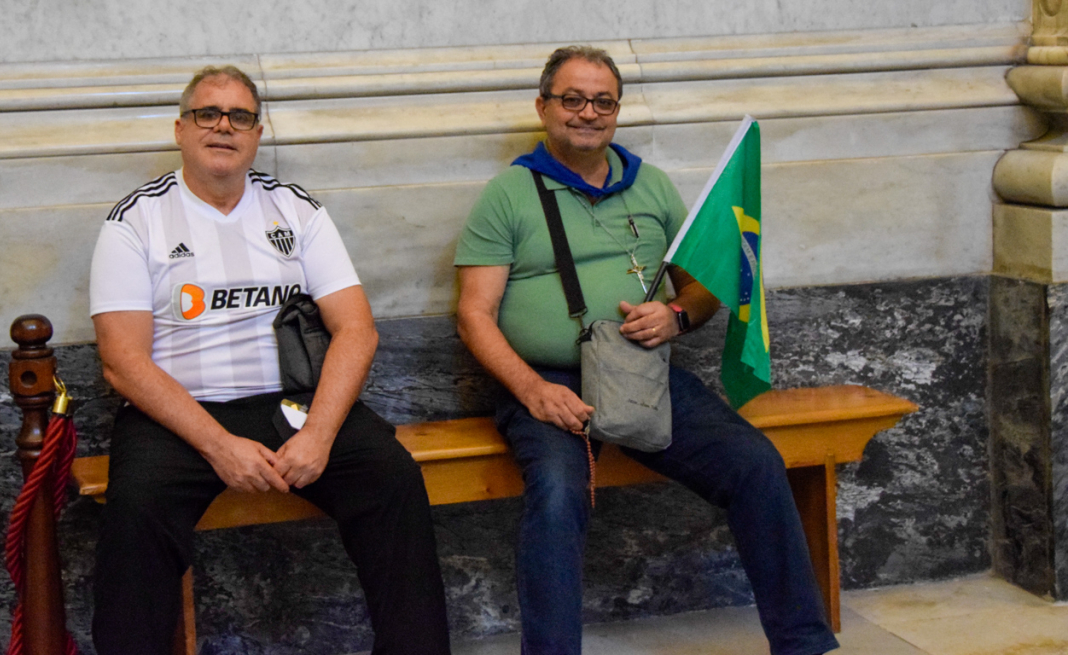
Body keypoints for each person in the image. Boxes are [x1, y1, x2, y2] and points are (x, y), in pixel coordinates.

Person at [454, 46, 839, 655]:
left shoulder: (652, 185)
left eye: (602, 102)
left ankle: (805, 645)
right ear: (543, 106)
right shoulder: (508, 194)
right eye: (572, 99)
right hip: (548, 384)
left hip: (641, 373)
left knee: (755, 464)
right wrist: (532, 390)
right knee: (557, 495)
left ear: (617, 111)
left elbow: (703, 287)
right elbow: (474, 316)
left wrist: (677, 315)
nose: (588, 113)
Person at [89, 65, 451, 655]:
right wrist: (218, 445)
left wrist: (320, 435)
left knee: (393, 480)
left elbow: (356, 330)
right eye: (208, 114)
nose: (223, 126)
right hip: (180, 415)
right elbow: (122, 361)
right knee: (136, 510)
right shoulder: (137, 219)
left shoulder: (295, 208)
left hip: (291, 405)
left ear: (258, 134)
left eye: (240, 116)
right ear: (180, 129)